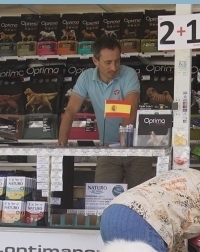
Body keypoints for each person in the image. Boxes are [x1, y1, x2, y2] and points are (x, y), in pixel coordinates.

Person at [58, 36, 155, 189]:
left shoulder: (128, 74)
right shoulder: (86, 77)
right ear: (95, 61)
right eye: (108, 62)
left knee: (140, 201)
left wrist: (122, 146)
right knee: (102, 198)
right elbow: (70, 110)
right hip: (107, 149)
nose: (114, 67)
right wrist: (61, 144)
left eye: (117, 61)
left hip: (136, 149)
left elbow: (130, 109)